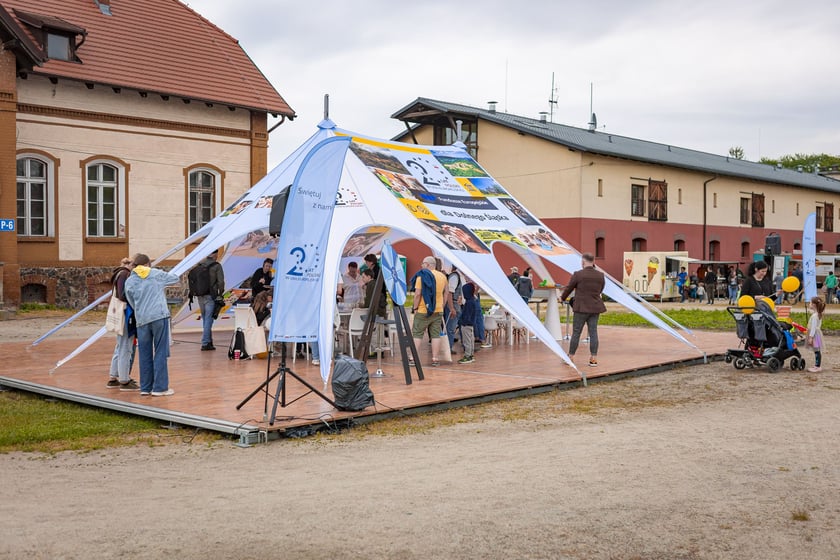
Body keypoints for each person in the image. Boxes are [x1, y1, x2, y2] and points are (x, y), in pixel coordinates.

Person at [124, 253, 180, 396]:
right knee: (160, 351)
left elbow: (131, 301)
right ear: (148, 264)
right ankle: (160, 388)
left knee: (144, 353)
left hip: (142, 319)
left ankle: (146, 388)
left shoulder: (130, 281)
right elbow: (175, 278)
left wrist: (140, 310)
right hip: (159, 316)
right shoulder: (155, 274)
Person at [560, 253, 606, 367]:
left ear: (583, 262)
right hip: (595, 308)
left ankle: (570, 357)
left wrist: (562, 298)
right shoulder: (601, 275)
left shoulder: (578, 274)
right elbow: (601, 289)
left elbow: (569, 288)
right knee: (593, 332)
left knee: (576, 332)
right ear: (593, 261)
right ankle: (593, 358)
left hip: (581, 308)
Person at [107, 257, 139, 391]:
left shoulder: (118, 273)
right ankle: (124, 380)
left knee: (120, 346)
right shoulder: (125, 274)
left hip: (120, 314)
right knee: (125, 347)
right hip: (125, 315)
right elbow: (122, 295)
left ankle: (113, 377)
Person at [409, 256, 447, 366]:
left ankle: (413, 357)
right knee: (435, 335)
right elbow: (446, 292)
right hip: (438, 310)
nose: (421, 265)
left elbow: (417, 294)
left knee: (417, 333)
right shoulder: (442, 276)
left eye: (423, 263)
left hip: (423, 310)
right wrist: (442, 306)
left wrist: (415, 308)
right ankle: (435, 359)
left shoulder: (422, 276)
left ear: (429, 265)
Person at [196, 250, 225, 351]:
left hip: (200, 296)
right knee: (209, 319)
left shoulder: (200, 264)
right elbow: (221, 282)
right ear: (215, 254)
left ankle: (209, 342)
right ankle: (205, 343)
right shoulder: (217, 266)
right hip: (210, 296)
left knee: (205, 319)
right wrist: (220, 293)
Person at [456, 282, 480, 364]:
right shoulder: (472, 301)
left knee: (467, 341)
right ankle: (471, 355)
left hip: (466, 324)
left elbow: (467, 314)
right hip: (471, 325)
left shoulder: (469, 302)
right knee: (470, 340)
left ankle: (467, 356)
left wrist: (463, 322)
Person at [445, 265, 464, 352]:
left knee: (452, 328)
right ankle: (448, 348)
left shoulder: (458, 276)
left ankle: (449, 347)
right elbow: (450, 292)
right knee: (450, 328)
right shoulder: (454, 277)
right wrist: (451, 308)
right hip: (453, 305)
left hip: (457, 304)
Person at [806, 296, 825, 373]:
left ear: (814, 305)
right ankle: (817, 365)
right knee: (817, 350)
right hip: (817, 334)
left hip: (815, 335)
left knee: (816, 351)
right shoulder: (818, 314)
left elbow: (813, 328)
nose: (809, 304)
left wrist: (811, 337)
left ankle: (817, 366)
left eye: (810, 303)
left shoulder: (815, 316)